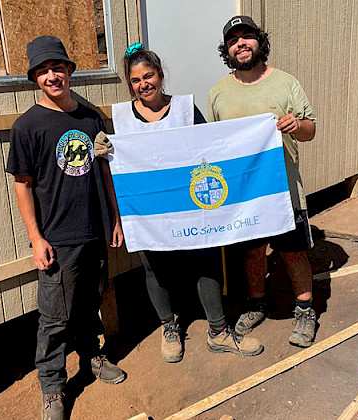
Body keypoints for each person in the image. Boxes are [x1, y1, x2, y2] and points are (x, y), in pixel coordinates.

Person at [96, 43, 263, 363]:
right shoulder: (122, 118)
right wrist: (103, 151)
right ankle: (169, 327)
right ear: (129, 84)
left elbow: (212, 147)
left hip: (191, 205)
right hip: (147, 209)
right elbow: (117, 168)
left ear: (161, 75)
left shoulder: (186, 108)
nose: (143, 84)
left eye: (149, 76)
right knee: (155, 268)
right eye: (135, 80)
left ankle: (218, 330)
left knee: (206, 260)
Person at [6, 36, 126, 420]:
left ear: (70, 71)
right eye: (43, 71)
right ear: (34, 78)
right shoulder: (27, 126)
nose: (52, 76)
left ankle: (92, 356)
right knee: (55, 316)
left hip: (94, 229)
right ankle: (53, 388)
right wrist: (35, 237)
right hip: (57, 237)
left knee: (90, 301)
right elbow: (22, 184)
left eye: (57, 68)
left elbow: (105, 171)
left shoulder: (90, 117)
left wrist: (115, 217)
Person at [208, 16, 318, 347]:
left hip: (284, 191)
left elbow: (311, 129)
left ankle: (305, 311)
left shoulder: (285, 83)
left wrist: (296, 124)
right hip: (243, 194)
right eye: (233, 40)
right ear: (227, 50)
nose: (241, 43)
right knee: (252, 252)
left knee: (293, 251)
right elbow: (214, 144)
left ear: (260, 42)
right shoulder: (218, 92)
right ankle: (257, 304)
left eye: (248, 37)